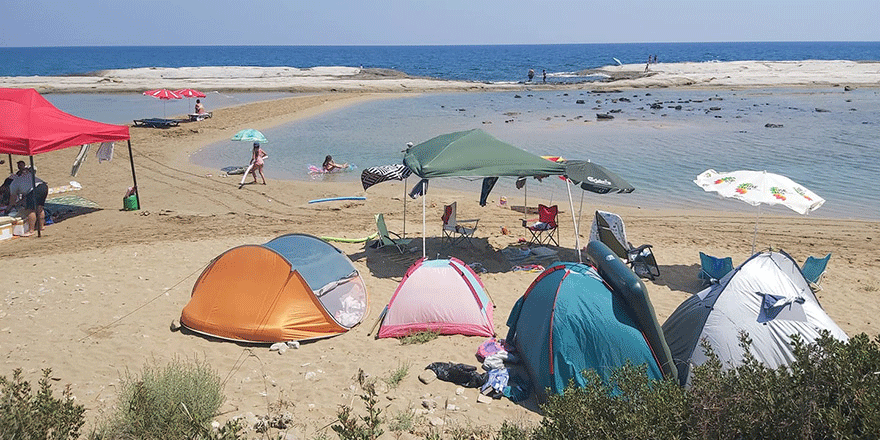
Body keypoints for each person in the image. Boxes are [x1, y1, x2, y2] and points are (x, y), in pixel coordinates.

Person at [5, 161, 48, 236]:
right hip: (43, 186)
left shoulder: (13, 185)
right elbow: (26, 196)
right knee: (40, 207)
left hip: (34, 189)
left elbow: (12, 200)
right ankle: (41, 226)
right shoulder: (24, 176)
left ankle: (31, 231)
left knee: (30, 210)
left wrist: (8, 209)